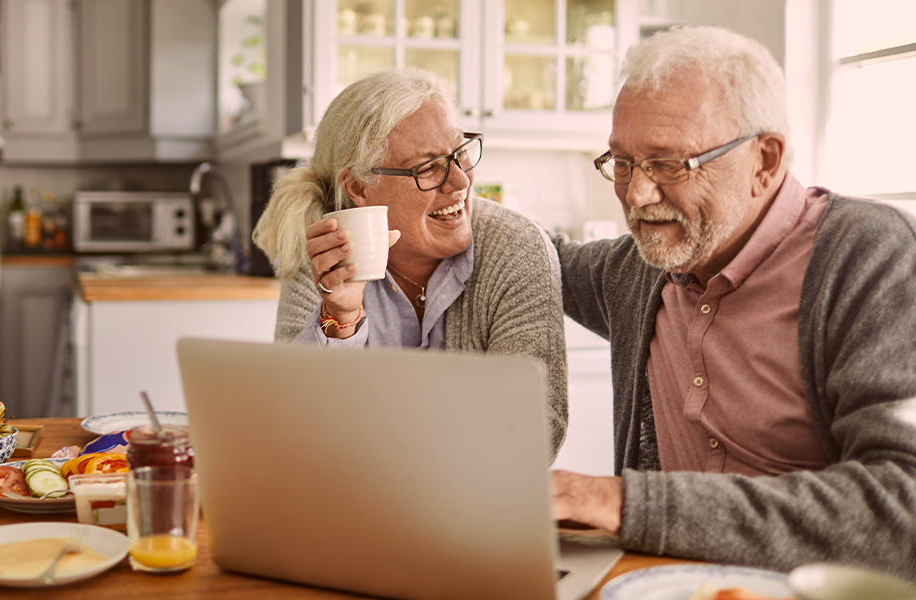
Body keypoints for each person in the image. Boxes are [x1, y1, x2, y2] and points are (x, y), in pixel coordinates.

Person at [550, 26, 916, 577]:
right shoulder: (637, 268)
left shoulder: (872, 257)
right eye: (622, 162)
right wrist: (440, 189)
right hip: (661, 586)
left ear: (765, 160)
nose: (637, 194)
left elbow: (900, 508)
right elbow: (539, 256)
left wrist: (621, 503)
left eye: (669, 164)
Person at [252, 68, 570, 457]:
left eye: (459, 154)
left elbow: (536, 428)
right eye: (427, 167)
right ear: (358, 189)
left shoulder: (516, 248)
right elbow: (291, 429)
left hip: (474, 504)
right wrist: (341, 319)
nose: (460, 182)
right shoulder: (325, 252)